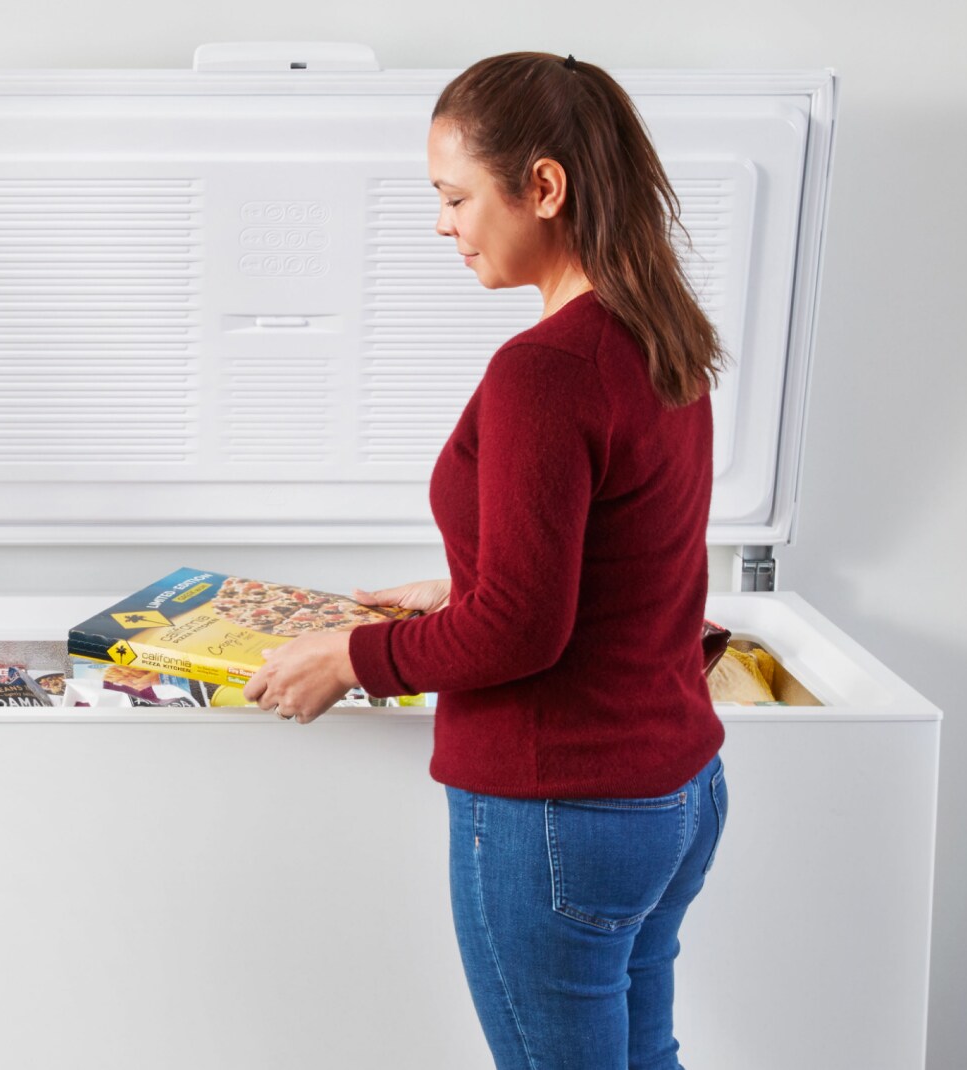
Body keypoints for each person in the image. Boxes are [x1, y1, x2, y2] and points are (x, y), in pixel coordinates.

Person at [239, 51, 730, 1070]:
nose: (443, 224)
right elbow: (630, 555)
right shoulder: (659, 335)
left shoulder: (542, 370)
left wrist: (352, 658)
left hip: (562, 811)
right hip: (675, 796)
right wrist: (457, 585)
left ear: (543, 187)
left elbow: (521, 628)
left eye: (456, 196)